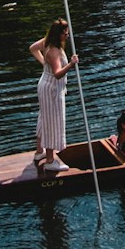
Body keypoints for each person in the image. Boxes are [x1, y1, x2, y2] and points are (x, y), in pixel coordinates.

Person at [29, 18, 77, 172]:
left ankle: (39, 152)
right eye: (65, 34)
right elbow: (57, 74)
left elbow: (32, 48)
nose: (67, 36)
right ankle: (50, 160)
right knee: (52, 122)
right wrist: (70, 64)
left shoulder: (47, 42)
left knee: (44, 118)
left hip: (45, 83)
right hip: (52, 89)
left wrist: (44, 63)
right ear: (59, 34)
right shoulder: (55, 51)